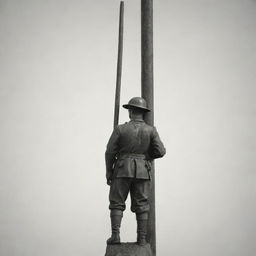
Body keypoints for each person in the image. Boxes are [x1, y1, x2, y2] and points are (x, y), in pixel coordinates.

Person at [105, 97, 166, 246]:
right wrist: (145, 158)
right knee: (142, 204)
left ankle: (115, 235)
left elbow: (109, 152)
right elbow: (161, 151)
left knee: (117, 203)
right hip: (142, 171)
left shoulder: (120, 129)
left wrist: (109, 171)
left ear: (131, 111)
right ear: (143, 113)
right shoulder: (151, 130)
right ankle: (142, 239)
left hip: (121, 169)